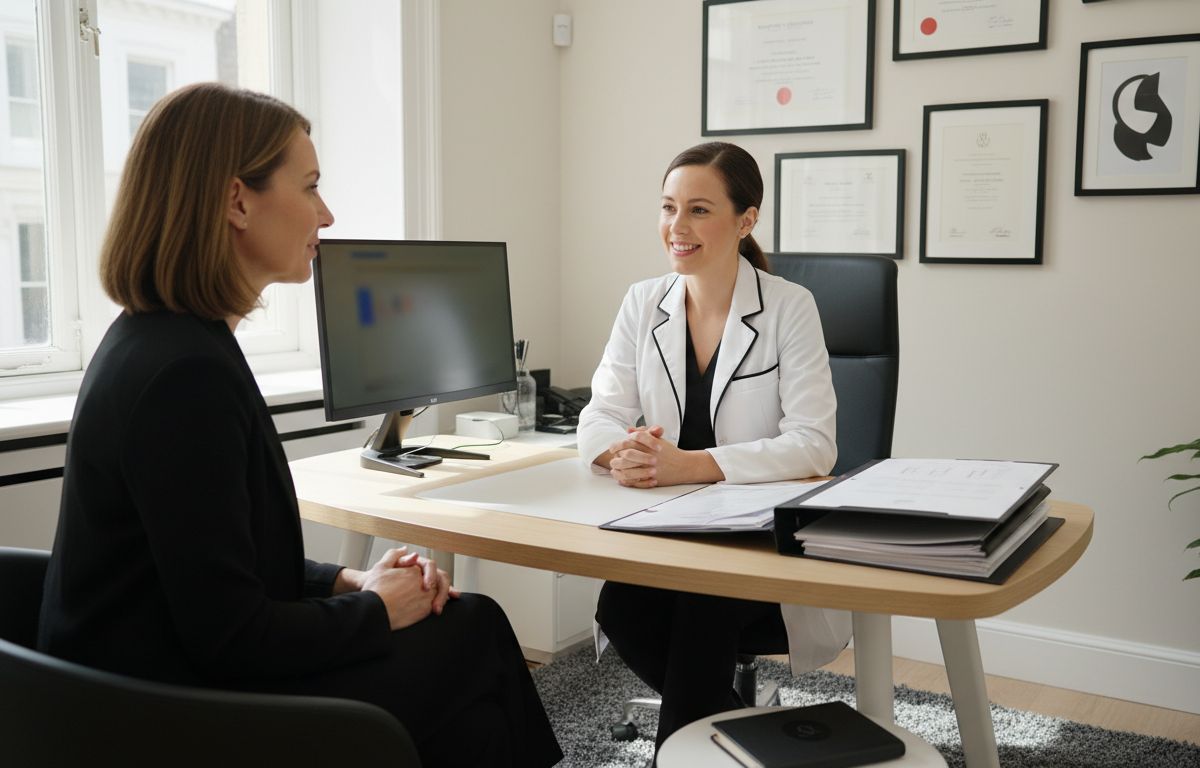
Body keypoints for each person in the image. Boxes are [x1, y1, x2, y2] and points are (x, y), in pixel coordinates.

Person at [36, 82, 561, 768]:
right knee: (473, 633)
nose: (327, 213)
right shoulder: (183, 378)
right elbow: (231, 636)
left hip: (154, 678)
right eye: (310, 186)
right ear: (235, 200)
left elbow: (220, 567)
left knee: (470, 712)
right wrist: (377, 611)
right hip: (163, 715)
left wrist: (349, 584)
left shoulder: (164, 343)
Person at [577, 141, 852, 747]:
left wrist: (689, 464)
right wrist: (622, 453)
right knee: (620, 609)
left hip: (756, 541)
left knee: (703, 602)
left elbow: (814, 446)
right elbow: (599, 415)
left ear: (746, 219)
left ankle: (681, 757)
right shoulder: (642, 301)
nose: (677, 227)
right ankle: (750, 740)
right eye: (668, 207)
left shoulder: (789, 308)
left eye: (699, 210)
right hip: (666, 528)